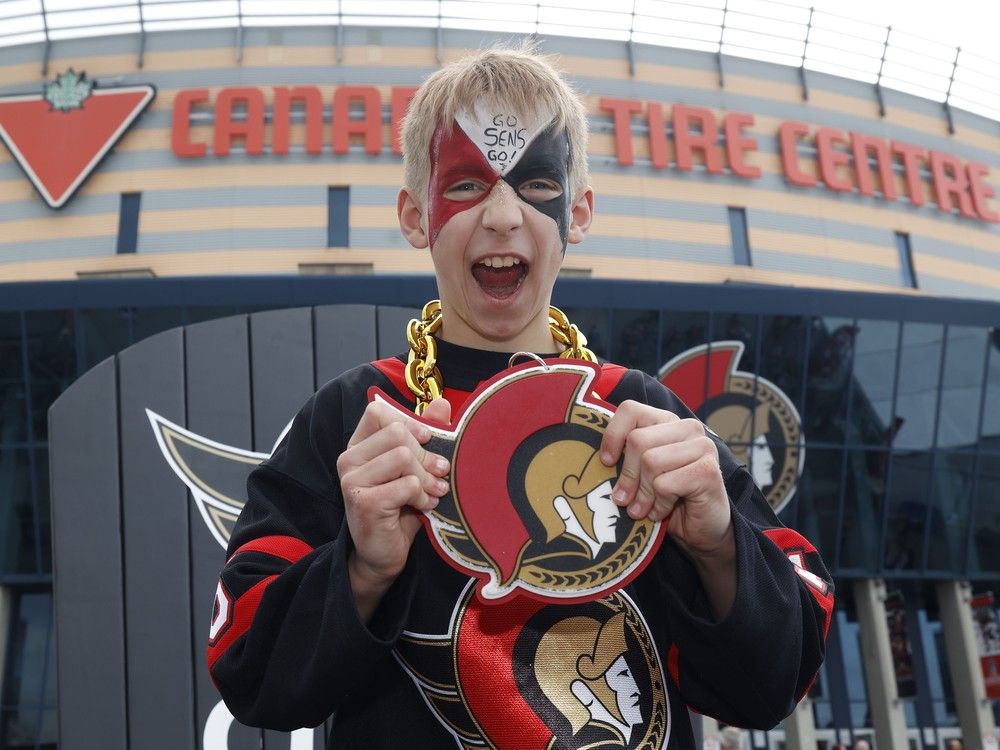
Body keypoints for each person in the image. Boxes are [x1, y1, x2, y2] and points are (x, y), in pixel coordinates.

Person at [207, 45, 834, 748]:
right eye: (468, 185)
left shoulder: (647, 416)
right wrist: (360, 568)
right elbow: (246, 670)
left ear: (580, 212)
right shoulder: (358, 417)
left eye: (536, 183)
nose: (504, 216)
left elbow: (775, 681)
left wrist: (720, 547)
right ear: (416, 217)